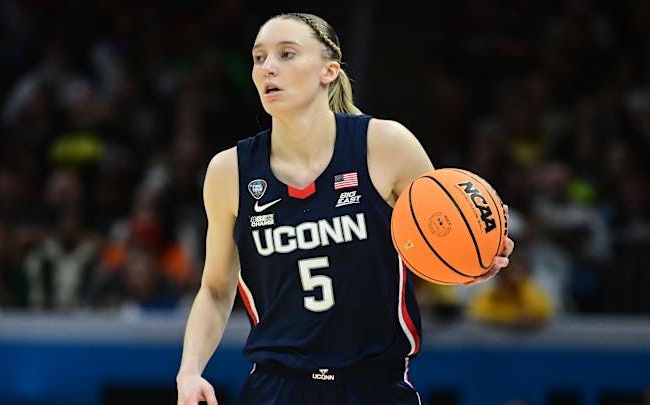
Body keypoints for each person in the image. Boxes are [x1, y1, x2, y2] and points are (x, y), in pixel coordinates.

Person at [176, 12, 514, 405]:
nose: (268, 67)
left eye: (286, 54)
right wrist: (189, 371)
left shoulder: (385, 145)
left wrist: (472, 262)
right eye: (259, 57)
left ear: (329, 71)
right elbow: (216, 289)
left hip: (376, 386)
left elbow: (440, 232)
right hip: (275, 387)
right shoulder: (228, 172)